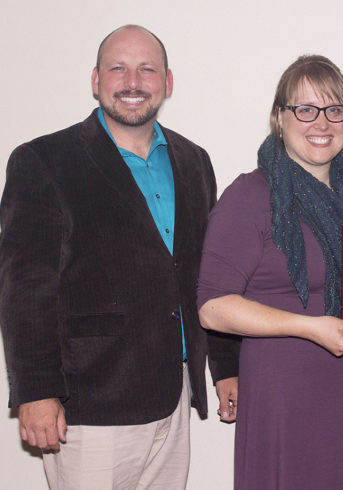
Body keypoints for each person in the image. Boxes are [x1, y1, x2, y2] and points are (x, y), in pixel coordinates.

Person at [0, 25, 239, 489]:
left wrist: (226, 367)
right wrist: (36, 391)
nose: (133, 81)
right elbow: (25, 288)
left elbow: (207, 275)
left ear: (167, 83)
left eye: (147, 69)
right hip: (90, 402)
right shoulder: (44, 161)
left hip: (174, 393)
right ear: (96, 80)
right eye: (118, 68)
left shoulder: (194, 162)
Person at [196, 54, 343, 490]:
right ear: (279, 118)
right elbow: (213, 308)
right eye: (305, 109)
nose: (321, 123)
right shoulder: (250, 195)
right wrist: (309, 328)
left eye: (334, 109)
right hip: (287, 394)